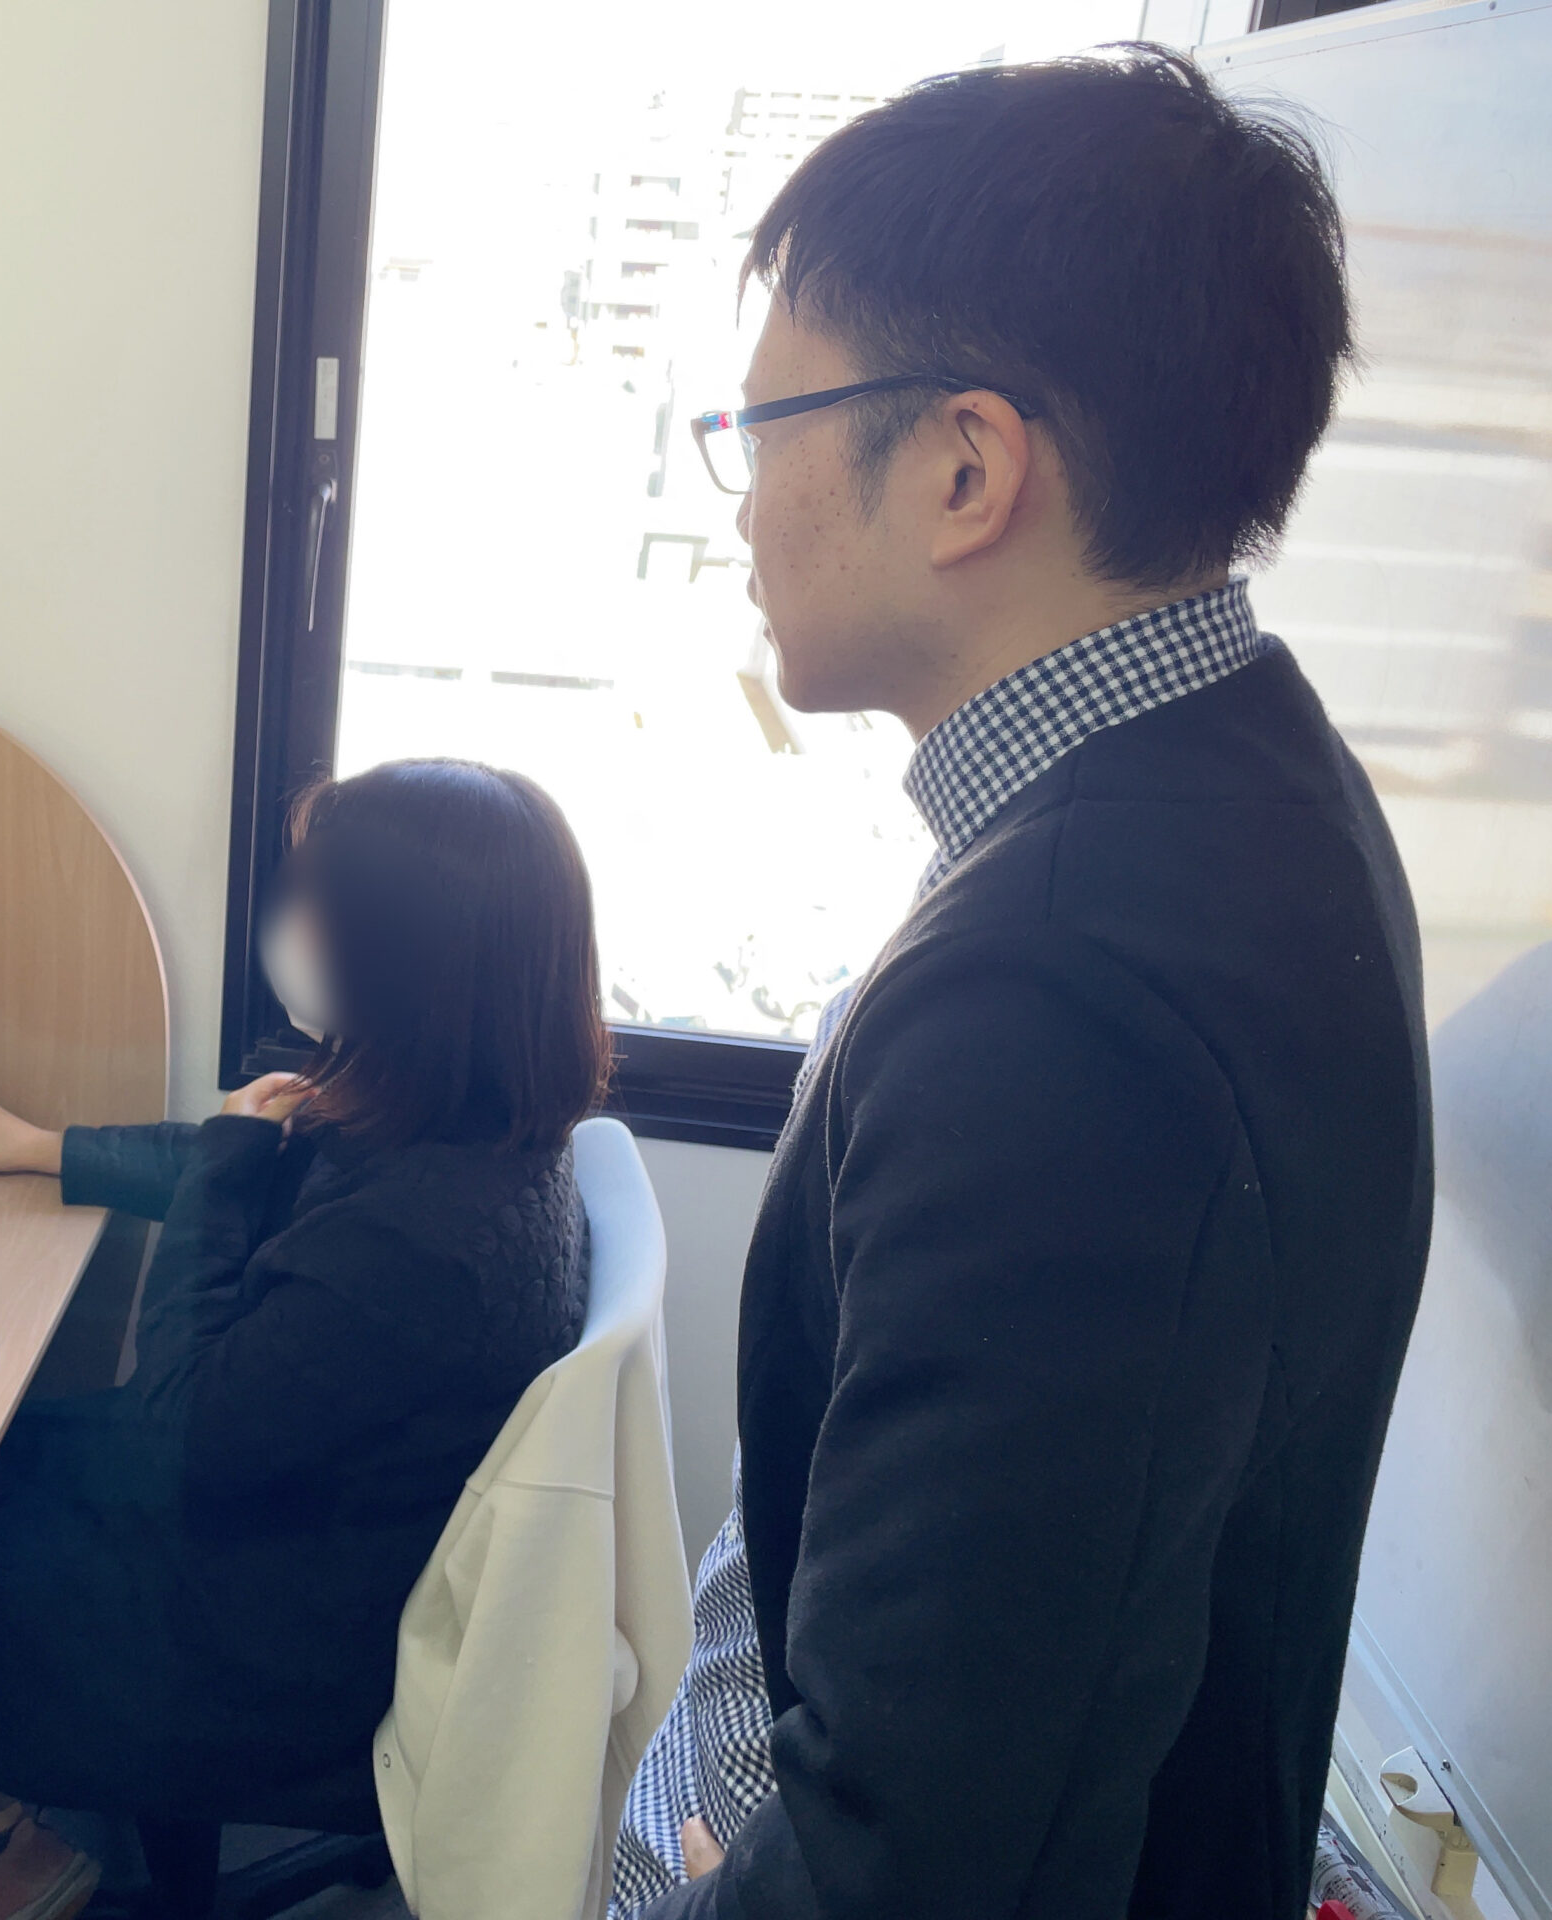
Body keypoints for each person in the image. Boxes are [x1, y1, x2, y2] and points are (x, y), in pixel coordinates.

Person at [634, 48, 1432, 1920]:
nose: (741, 504)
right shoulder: (1248, 766)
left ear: (966, 469)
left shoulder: (1059, 1007)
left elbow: (920, 1852)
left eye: (764, 427)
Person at [0, 759, 613, 1920]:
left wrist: (222, 1171)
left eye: (315, 903)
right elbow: (271, 1159)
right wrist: (47, 1147)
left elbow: (173, 1430)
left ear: (399, 957)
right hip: (302, 1541)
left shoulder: (419, 1244)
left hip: (261, 1646)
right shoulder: (471, 1123)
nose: (293, 930)